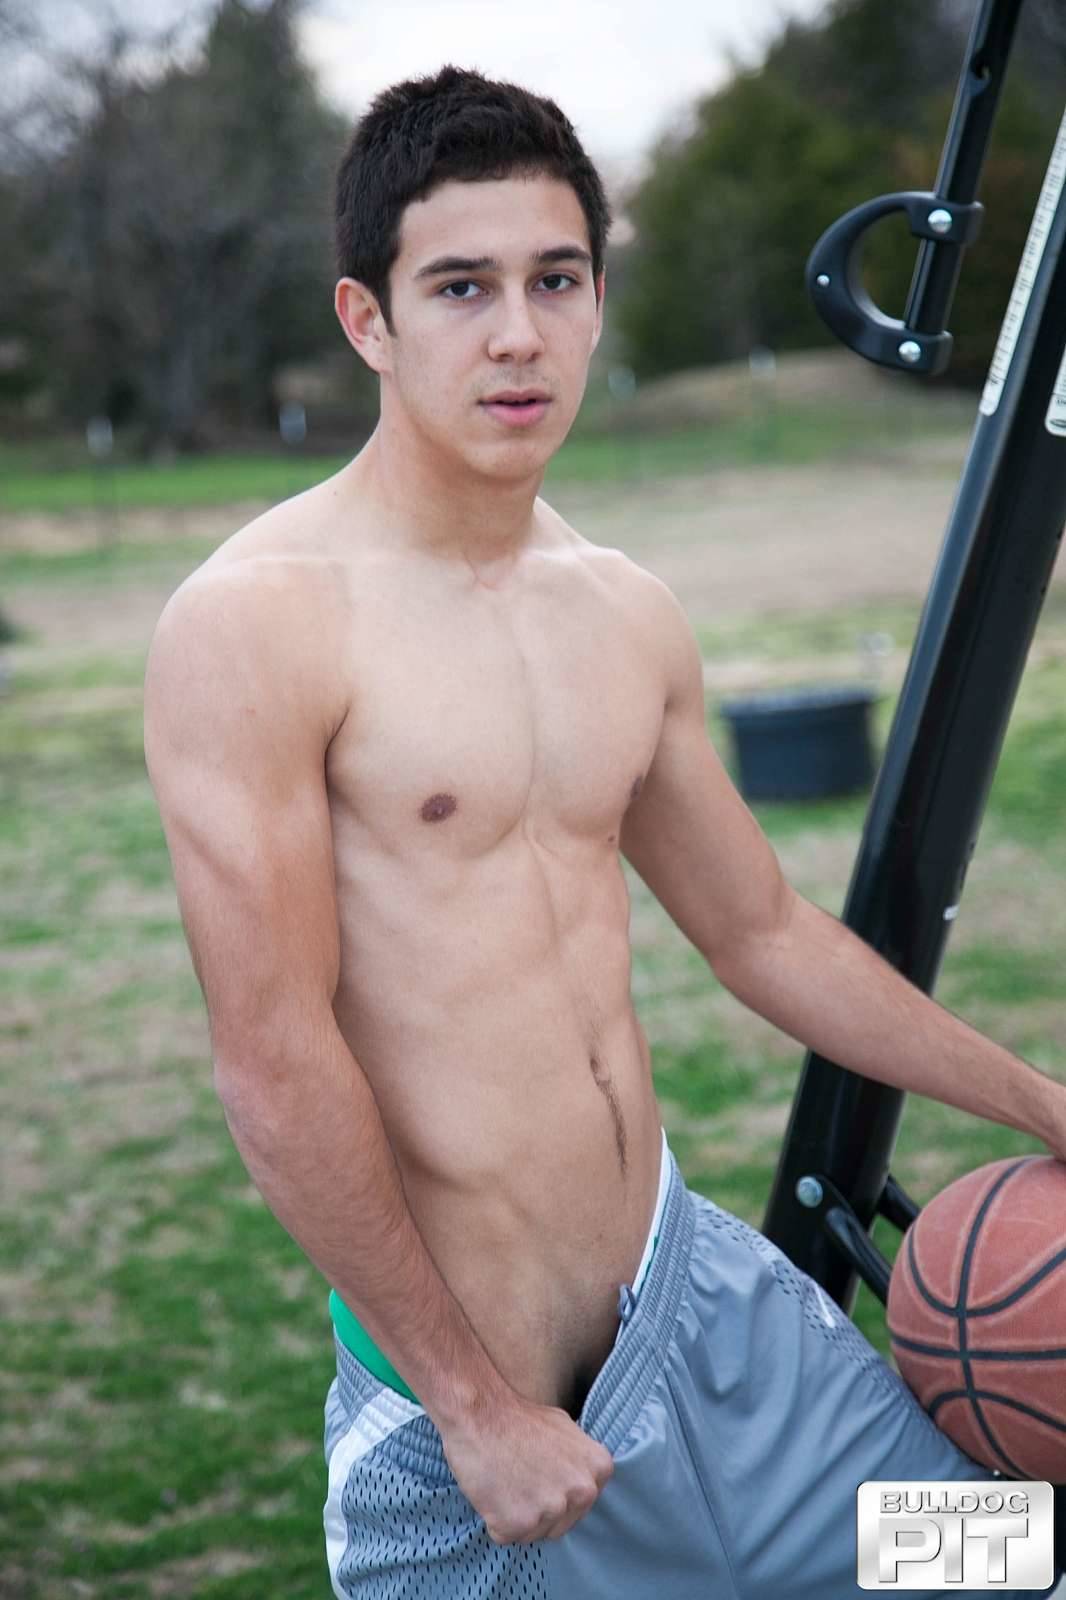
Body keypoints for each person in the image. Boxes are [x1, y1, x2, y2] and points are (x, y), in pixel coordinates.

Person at [142, 63, 1066, 1600]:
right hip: (492, 1461)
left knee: (1010, 1566)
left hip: (723, 1355)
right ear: (367, 319)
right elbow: (274, 1057)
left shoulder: (619, 609)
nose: (517, 333)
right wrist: (473, 1411)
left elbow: (760, 933)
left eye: (554, 279)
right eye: (460, 287)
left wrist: (1040, 1104)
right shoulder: (255, 623)